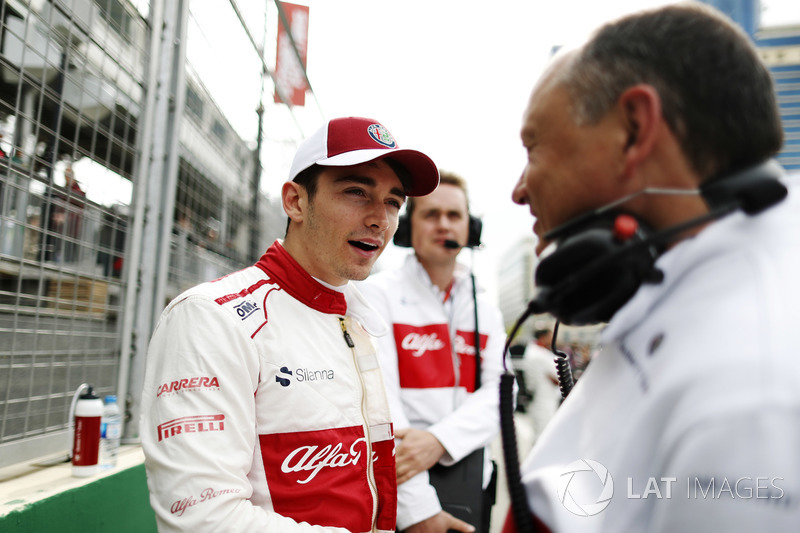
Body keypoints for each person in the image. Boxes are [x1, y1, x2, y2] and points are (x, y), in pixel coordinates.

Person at [506, 4, 800, 532]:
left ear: (635, 129)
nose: (520, 189)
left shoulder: (749, 395)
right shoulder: (683, 274)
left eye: (533, 146)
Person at [140, 116, 440, 532]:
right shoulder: (211, 317)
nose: (380, 219)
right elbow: (203, 518)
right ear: (296, 202)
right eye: (357, 192)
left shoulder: (361, 318)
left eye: (393, 202)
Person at [358, 171, 508, 533]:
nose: (444, 225)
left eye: (454, 216)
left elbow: (503, 391)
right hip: (402, 493)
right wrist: (418, 510)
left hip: (472, 483)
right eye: (431, 214)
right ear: (409, 229)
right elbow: (381, 406)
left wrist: (440, 441)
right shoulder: (377, 294)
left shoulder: (485, 306)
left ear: (470, 228)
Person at [516, 328, 560, 451]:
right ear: (543, 337)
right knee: (543, 435)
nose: (553, 340)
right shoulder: (539, 355)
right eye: (550, 336)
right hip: (542, 401)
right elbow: (557, 378)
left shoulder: (534, 352)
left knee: (541, 434)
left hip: (540, 400)